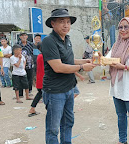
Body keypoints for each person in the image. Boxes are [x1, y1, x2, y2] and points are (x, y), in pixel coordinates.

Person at [42, 8, 96, 143]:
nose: (66, 25)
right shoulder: (49, 41)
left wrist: (85, 60)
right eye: (62, 22)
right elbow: (58, 67)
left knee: (68, 123)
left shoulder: (67, 39)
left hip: (69, 89)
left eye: (68, 22)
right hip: (55, 91)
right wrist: (83, 67)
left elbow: (68, 60)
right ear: (53, 24)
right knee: (53, 128)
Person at [28, 42, 43, 117]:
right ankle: (32, 108)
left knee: (40, 94)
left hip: (41, 79)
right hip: (43, 79)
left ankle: (32, 108)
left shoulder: (40, 56)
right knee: (43, 94)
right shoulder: (43, 56)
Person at [17, 32, 35, 97]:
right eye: (22, 36)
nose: (24, 37)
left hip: (29, 64)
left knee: (29, 78)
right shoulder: (17, 44)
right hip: (20, 64)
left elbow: (34, 53)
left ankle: (29, 91)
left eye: (25, 36)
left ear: (27, 37)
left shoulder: (31, 44)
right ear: (20, 37)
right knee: (20, 78)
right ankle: (20, 93)